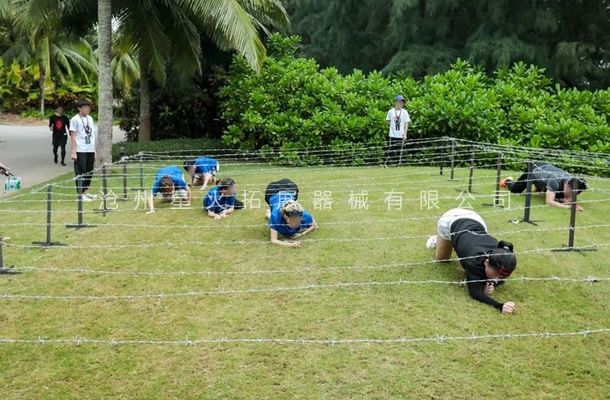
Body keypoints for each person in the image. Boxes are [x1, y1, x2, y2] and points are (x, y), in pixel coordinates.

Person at [426, 208, 517, 314]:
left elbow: (499, 277)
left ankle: (454, 243)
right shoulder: (473, 261)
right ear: (486, 262)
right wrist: (500, 306)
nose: (498, 278)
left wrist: (492, 283)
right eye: (496, 275)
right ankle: (437, 240)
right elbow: (474, 292)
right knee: (442, 259)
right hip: (451, 219)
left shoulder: (503, 255)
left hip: (476, 222)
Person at [501, 162, 587, 211]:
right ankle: (508, 181)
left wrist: (571, 202)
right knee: (516, 190)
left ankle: (539, 187)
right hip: (534, 168)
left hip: (546, 171)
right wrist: (569, 207)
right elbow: (549, 202)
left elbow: (566, 199)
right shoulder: (555, 181)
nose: (574, 195)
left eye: (577, 193)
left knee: (556, 195)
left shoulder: (573, 182)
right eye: (572, 192)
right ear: (567, 185)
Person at [265, 178, 317, 248]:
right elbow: (273, 240)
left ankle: (269, 213)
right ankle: (268, 213)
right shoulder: (276, 215)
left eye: (298, 221)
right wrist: (290, 245)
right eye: (293, 221)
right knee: (273, 221)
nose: (295, 223)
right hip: (272, 192)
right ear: (286, 217)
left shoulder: (303, 214)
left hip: (289, 188)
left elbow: (314, 225)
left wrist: (302, 234)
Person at [69, 99, 96, 200]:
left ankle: (86, 191)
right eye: (85, 107)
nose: (87, 109)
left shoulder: (90, 118)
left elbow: (92, 135)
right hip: (80, 150)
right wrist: (73, 152)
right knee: (81, 171)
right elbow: (73, 135)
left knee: (89, 172)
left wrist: (94, 150)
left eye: (88, 107)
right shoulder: (75, 119)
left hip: (90, 149)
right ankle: (80, 194)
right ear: (79, 108)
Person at [384, 95, 411, 167]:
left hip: (401, 134)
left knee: (400, 150)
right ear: (395, 102)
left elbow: (406, 123)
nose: (400, 104)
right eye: (399, 102)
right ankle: (387, 163)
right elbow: (387, 121)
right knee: (391, 149)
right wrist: (393, 124)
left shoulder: (405, 112)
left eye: (402, 102)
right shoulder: (391, 111)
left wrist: (405, 134)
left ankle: (398, 164)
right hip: (392, 134)